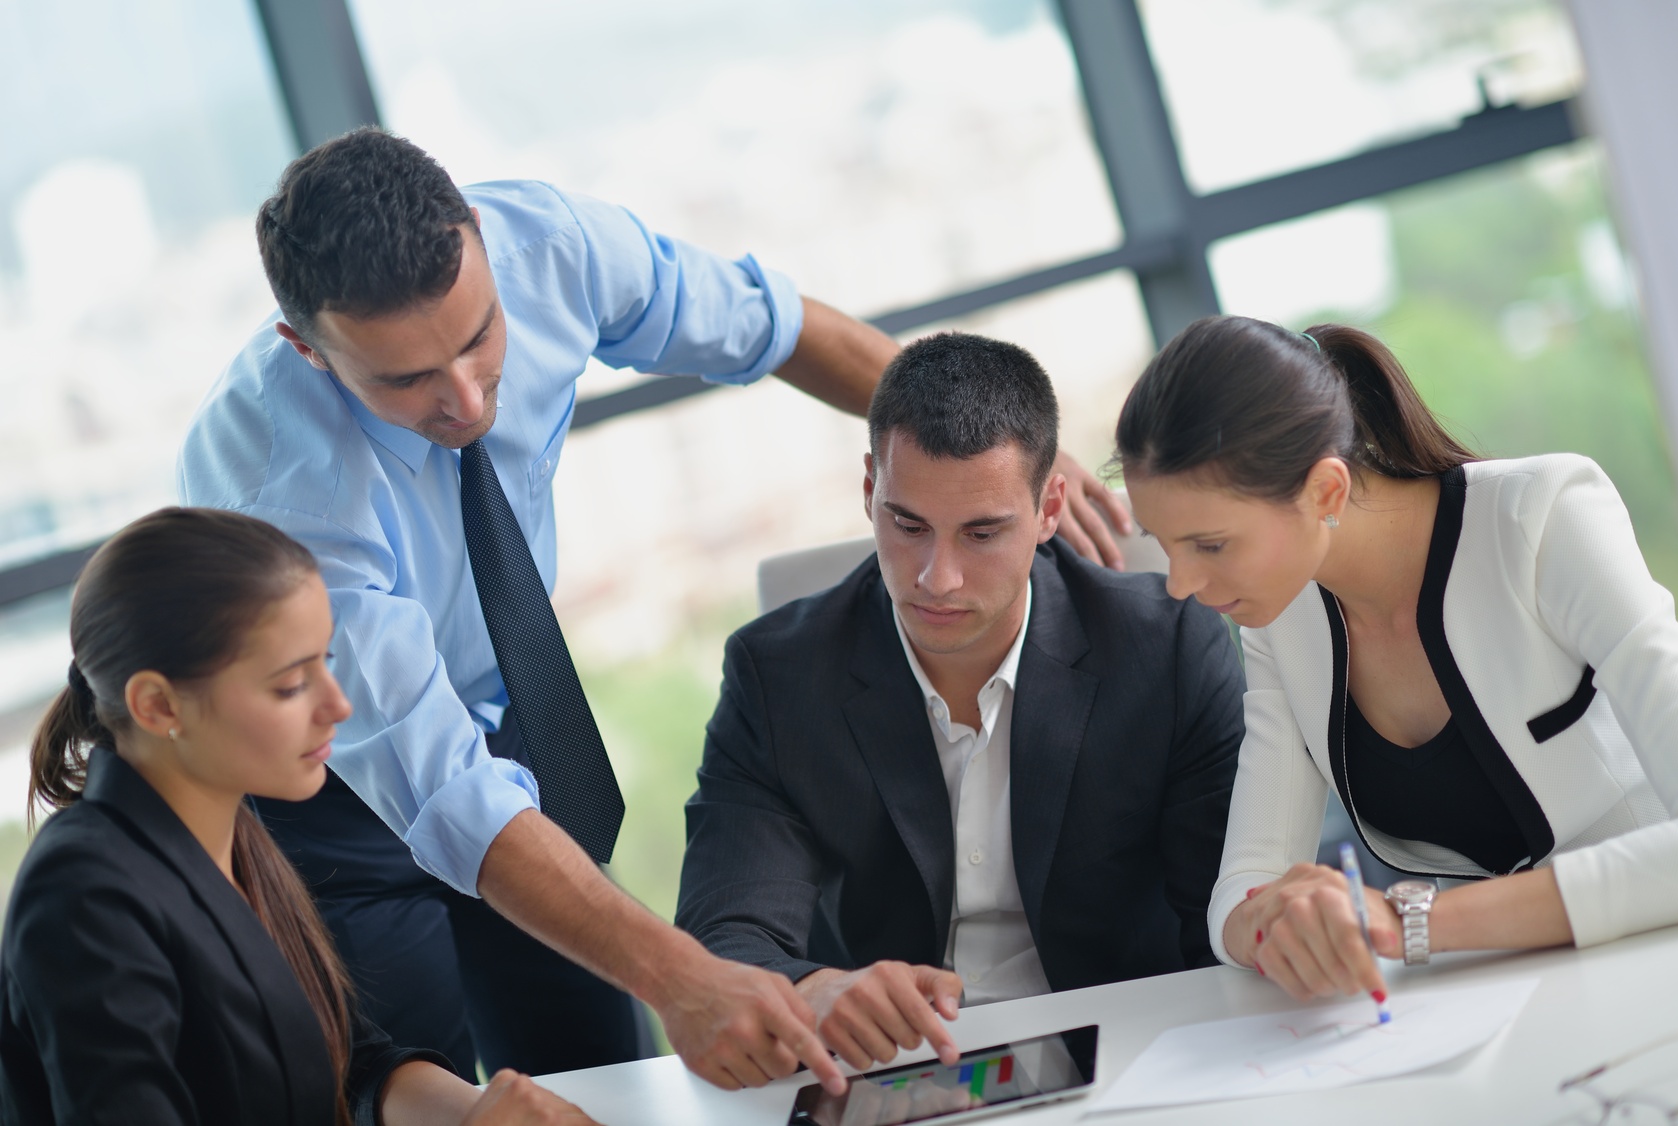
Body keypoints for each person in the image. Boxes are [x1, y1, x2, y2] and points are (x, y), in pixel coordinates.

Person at [178, 127, 1131, 1088]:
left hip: (501, 725)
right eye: (406, 380)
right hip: (321, 788)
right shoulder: (282, 489)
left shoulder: (553, 248)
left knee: (592, 1071)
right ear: (305, 349)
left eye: (478, 339)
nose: (466, 400)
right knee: (409, 1087)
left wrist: (995, 453)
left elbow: (776, 327)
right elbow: (443, 790)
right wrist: (688, 979)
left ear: (478, 236)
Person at [675, 332, 1245, 1072]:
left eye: (981, 533)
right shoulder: (777, 676)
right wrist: (816, 989)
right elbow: (726, 935)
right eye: (906, 524)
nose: (935, 578)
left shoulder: (1165, 648)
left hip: (1130, 1057)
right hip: (900, 1072)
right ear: (868, 490)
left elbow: (1229, 911)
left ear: (1048, 510)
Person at [1113, 315, 1678, 1007]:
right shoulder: (1280, 614)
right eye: (1163, 543)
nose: (1178, 585)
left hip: (1656, 958)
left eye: (1208, 545)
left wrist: (1404, 923)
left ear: (1324, 490)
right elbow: (1238, 889)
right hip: (1487, 1001)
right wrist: (1278, 921)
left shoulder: (1539, 514)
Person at [0, 507, 596, 1126]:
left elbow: (347, 1055)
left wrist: (476, 1113)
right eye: (290, 686)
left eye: (326, 664)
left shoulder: (231, 833)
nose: (338, 706)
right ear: (157, 705)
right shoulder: (82, 895)